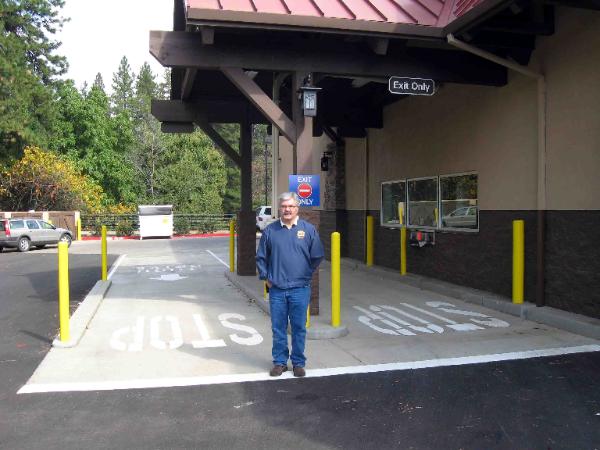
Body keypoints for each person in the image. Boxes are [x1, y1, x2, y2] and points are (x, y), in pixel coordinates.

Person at [256, 192, 324, 377]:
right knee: (278, 328)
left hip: (300, 289)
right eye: (284, 206)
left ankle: (298, 363)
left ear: (297, 208)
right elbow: (261, 257)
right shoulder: (270, 231)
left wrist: (306, 273)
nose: (287, 209)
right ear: (280, 208)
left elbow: (317, 255)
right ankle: (279, 362)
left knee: (299, 327)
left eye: (291, 206)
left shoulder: (308, 230)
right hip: (277, 290)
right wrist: (266, 277)